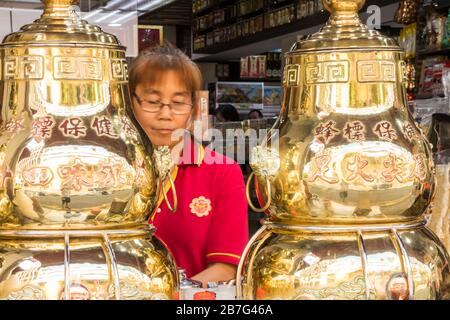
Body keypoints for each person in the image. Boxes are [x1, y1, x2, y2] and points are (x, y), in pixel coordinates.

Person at [129, 44, 248, 286]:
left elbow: (225, 268)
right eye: (152, 101)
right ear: (131, 102)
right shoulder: (111, 169)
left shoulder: (221, 171)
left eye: (178, 102)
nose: (165, 114)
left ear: (193, 108)